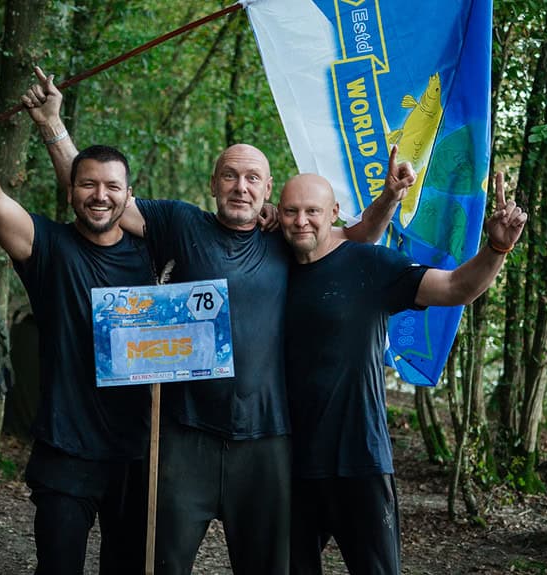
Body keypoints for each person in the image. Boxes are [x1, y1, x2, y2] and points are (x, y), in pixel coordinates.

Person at [21, 67, 412, 575]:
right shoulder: (180, 224)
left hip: (267, 438)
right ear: (213, 183)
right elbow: (100, 195)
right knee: (159, 562)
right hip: (186, 433)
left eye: (253, 178)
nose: (241, 187)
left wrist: (388, 198)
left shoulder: (287, 236)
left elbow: (354, 238)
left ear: (268, 189)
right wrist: (54, 126)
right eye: (230, 175)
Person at [0, 68, 152, 575]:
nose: (100, 195)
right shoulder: (48, 246)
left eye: (112, 187)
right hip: (66, 451)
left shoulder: (154, 251)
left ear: (129, 193)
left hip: (141, 453)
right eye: (88, 184)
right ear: (71, 190)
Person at [278, 171, 527, 574]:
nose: (301, 220)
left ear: (334, 213)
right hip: (289, 464)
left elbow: (455, 287)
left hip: (359, 460)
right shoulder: (270, 264)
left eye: (312, 211)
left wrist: (497, 247)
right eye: (291, 211)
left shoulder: (369, 264)